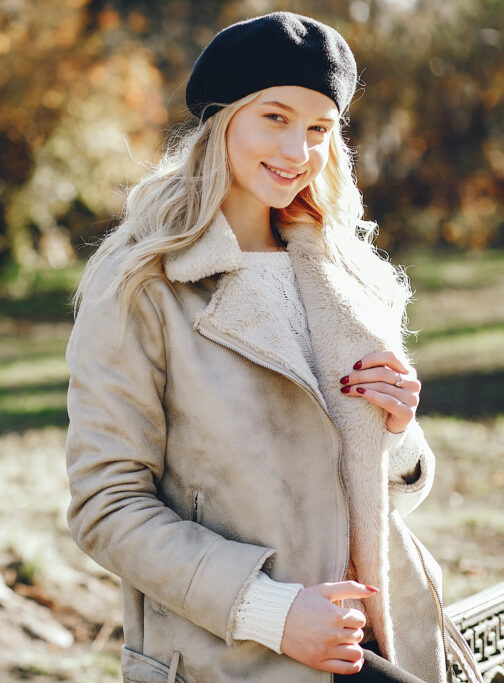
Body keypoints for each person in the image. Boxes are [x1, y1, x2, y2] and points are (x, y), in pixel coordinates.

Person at [64, 12, 453, 683]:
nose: (298, 150)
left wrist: (396, 433)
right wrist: (272, 612)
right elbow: (107, 506)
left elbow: (378, 501)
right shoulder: (142, 285)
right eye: (275, 117)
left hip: (384, 635)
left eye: (319, 128)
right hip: (237, 657)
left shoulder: (344, 272)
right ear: (221, 120)